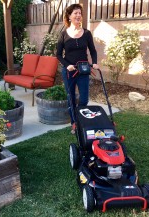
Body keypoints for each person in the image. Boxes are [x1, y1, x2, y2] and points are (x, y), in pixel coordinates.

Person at [56, 3, 99, 134]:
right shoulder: (63, 34)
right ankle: (74, 123)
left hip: (83, 70)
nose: (78, 15)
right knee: (71, 99)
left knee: (84, 99)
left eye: (80, 13)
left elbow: (93, 50)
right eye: (75, 13)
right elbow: (58, 54)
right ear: (69, 16)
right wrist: (66, 65)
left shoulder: (86, 33)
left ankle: (81, 120)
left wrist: (95, 63)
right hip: (69, 72)